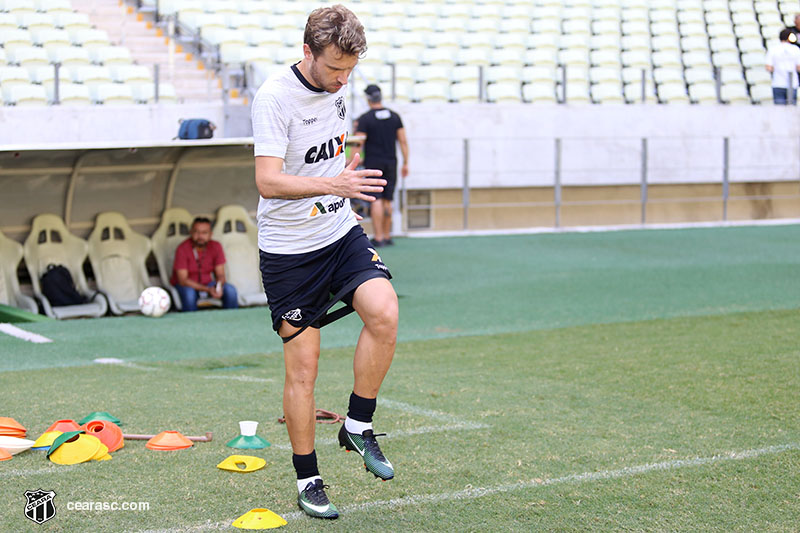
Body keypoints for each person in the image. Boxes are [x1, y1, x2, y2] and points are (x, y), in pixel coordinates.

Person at [250, 5, 399, 520]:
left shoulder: (337, 85)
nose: (343, 80)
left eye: (350, 70)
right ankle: (308, 478)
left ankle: (357, 424)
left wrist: (338, 192)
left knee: (384, 312)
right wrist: (334, 184)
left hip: (337, 232)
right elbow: (267, 181)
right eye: (335, 68)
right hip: (289, 255)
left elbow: (326, 154)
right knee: (303, 371)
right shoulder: (273, 98)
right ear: (307, 52)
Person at [354, 84, 409, 247]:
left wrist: (351, 162)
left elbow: (358, 143)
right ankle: (387, 235)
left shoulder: (365, 119)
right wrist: (406, 162)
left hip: (373, 164)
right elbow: (403, 141)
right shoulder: (394, 116)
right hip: (391, 162)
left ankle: (378, 238)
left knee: (376, 199)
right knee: (388, 199)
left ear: (368, 99)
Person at [170, 216, 238, 311]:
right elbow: (183, 280)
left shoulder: (216, 246)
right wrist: (207, 289)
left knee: (230, 290)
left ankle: (231, 318)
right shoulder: (182, 248)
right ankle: (191, 320)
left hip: (208, 283)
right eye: (196, 232)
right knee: (189, 294)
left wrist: (218, 287)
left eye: (204, 232)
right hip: (188, 286)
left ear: (210, 234)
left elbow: (221, 275)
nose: (200, 236)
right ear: (191, 232)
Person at [766, 29, 800, 105]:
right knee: (791, 109)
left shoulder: (773, 49)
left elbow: (768, 67)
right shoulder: (796, 49)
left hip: (778, 82)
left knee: (779, 110)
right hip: (792, 83)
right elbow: (798, 67)